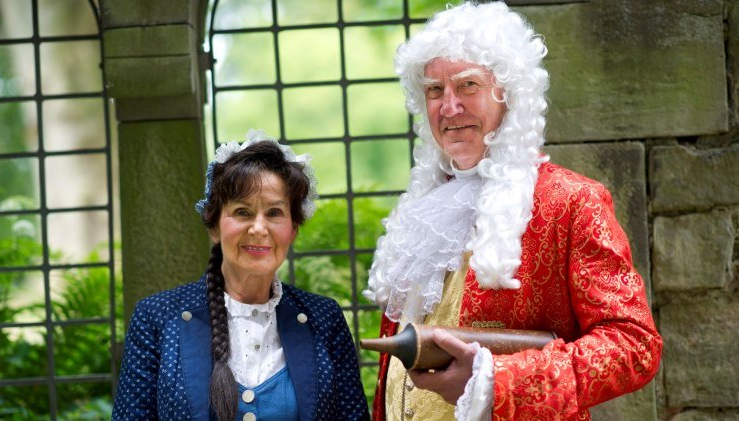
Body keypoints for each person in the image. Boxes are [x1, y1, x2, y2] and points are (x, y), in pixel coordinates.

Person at [363, 2, 662, 420]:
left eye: (467, 85)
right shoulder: (419, 211)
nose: (449, 107)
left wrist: (496, 379)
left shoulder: (572, 201)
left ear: (509, 94)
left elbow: (634, 346)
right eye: (435, 90)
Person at [113, 129, 370, 420]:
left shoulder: (324, 320)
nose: (259, 228)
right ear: (213, 227)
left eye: (274, 213)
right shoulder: (157, 318)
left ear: (293, 228)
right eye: (243, 212)